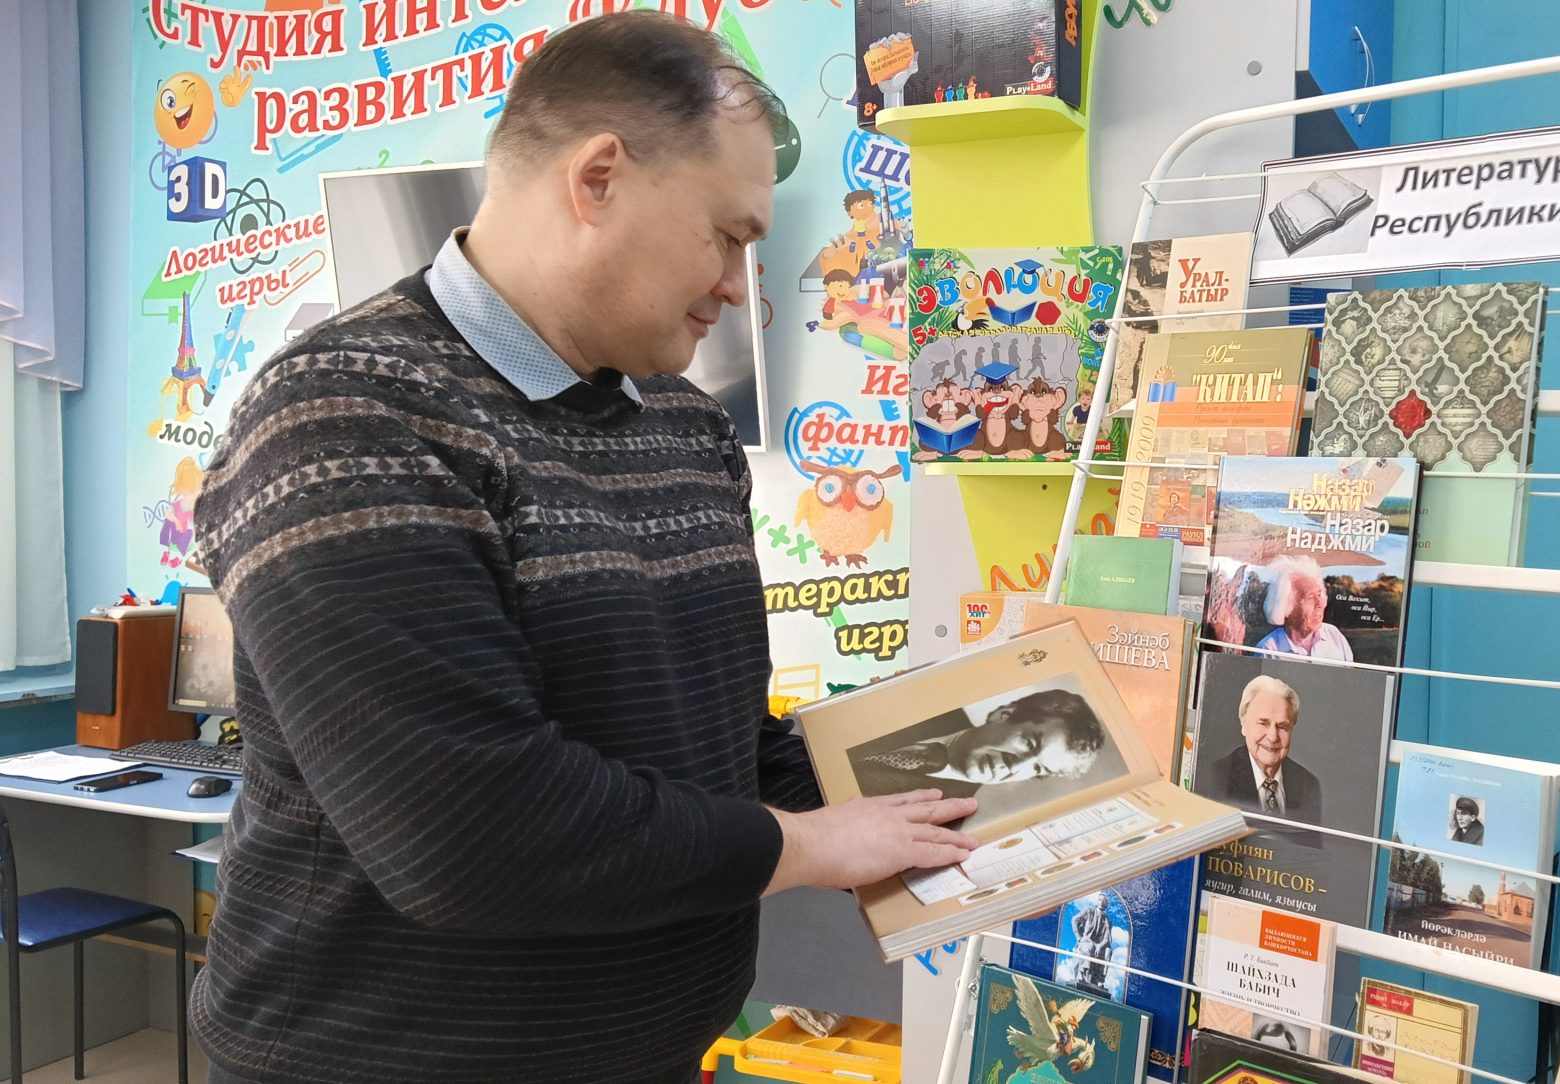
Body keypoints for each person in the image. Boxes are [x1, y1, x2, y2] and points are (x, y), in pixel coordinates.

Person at [188, 14, 979, 1084]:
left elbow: (720, 742)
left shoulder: (685, 423)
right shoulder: (343, 418)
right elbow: (471, 838)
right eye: (727, 234)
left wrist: (986, 791)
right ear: (598, 178)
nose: (738, 281)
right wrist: (810, 847)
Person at [850, 688, 1108, 801]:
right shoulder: (925, 699)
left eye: (1038, 769)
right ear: (1004, 715)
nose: (1016, 766)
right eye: (1029, 744)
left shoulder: (945, 822)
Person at [1202, 675, 1322, 847]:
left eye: (1282, 727)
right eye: (1263, 723)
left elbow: (1312, 855)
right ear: (1243, 723)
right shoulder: (1217, 776)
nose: (1273, 737)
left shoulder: (1308, 784)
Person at [1254, 559, 1354, 662]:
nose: (1320, 603)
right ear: (1285, 607)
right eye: (1310, 598)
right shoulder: (1268, 650)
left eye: (1319, 595)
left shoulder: (1334, 635)